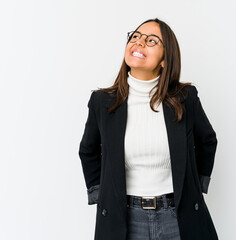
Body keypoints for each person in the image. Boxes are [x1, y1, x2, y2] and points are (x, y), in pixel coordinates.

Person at [79, 18, 219, 240]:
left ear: (165, 59)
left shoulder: (184, 99)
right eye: (135, 36)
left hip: (177, 215)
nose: (139, 42)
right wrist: (100, 194)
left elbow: (208, 141)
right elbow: (88, 150)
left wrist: (195, 186)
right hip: (124, 219)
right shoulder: (102, 102)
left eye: (151, 40)